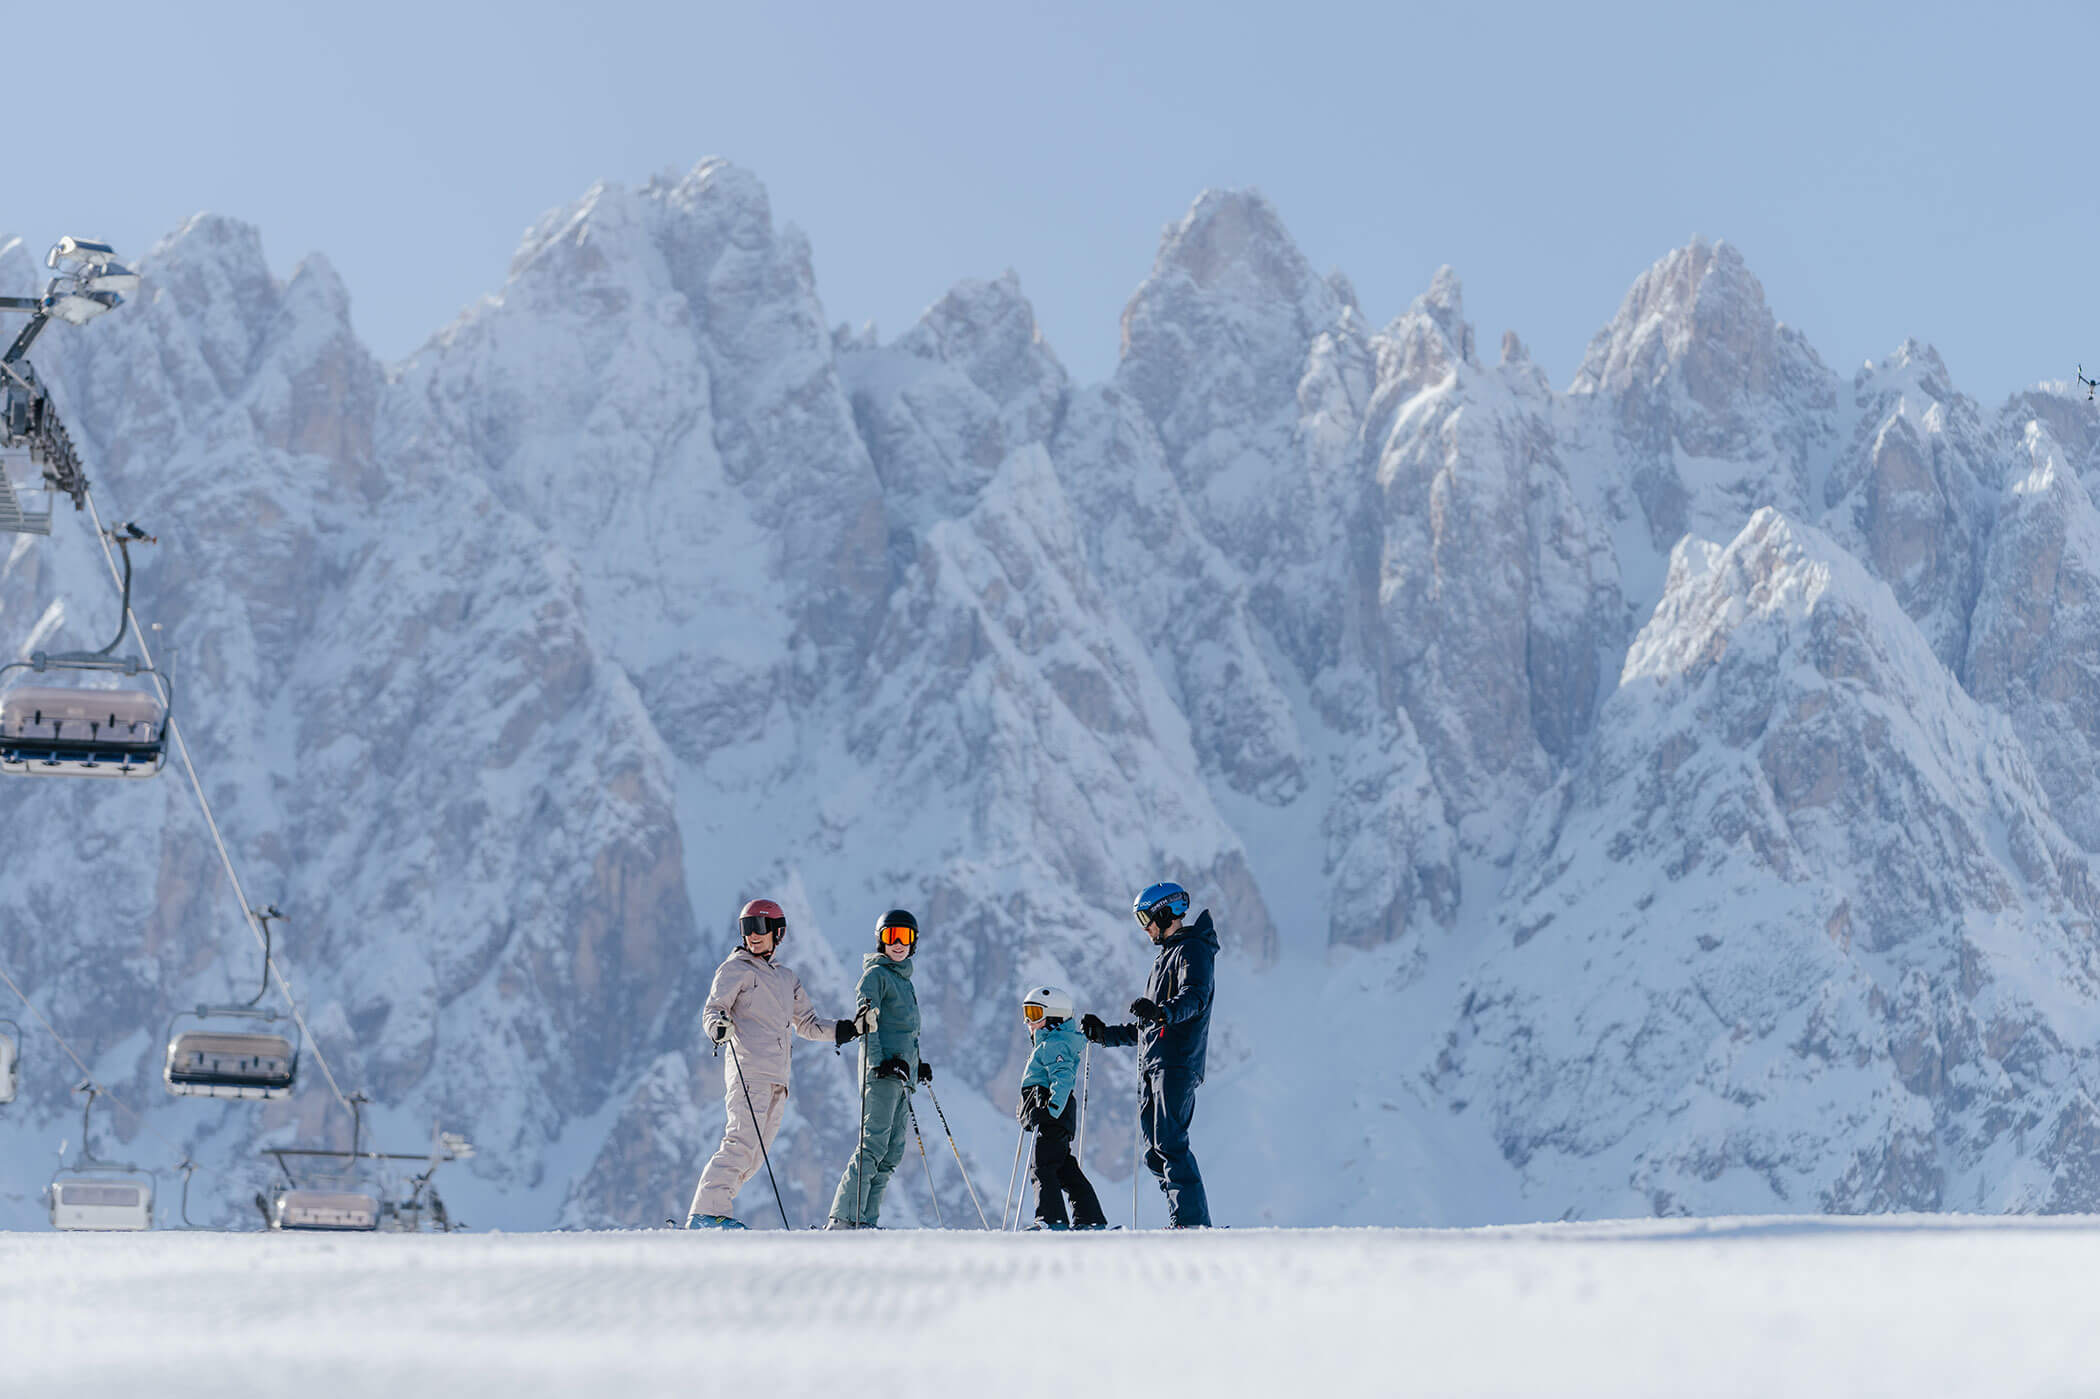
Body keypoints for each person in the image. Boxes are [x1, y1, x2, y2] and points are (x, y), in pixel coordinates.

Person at [687, 898, 873, 1229]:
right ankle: (706, 1214)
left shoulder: (787, 979)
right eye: (746, 928)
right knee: (741, 1141)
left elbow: (809, 1025)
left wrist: (850, 1028)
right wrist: (718, 1027)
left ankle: (713, 1214)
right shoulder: (734, 970)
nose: (753, 936)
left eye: (759, 928)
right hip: (749, 1072)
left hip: (777, 1079)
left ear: (778, 932)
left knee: (754, 1154)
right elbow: (714, 1008)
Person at [1081, 881, 1217, 1228]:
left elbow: (1194, 996)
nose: (1145, 927)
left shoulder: (1192, 951)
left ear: (1165, 910)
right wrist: (1105, 1035)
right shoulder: (1164, 958)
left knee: (1170, 1141)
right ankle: (1182, 1218)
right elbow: (1146, 1027)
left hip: (1177, 1061)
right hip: (1153, 1064)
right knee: (1153, 1151)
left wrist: (1162, 1013)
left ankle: (1192, 1222)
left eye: (1146, 917)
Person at [826, 908, 931, 1229]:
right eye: (890, 937)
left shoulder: (903, 979)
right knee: (872, 1145)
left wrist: (916, 1065)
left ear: (913, 943)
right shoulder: (875, 976)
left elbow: (906, 1031)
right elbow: (866, 1022)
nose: (897, 944)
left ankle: (866, 1220)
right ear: (880, 940)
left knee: (892, 1153)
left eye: (904, 937)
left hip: (903, 1075)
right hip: (882, 1073)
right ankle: (845, 1218)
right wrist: (881, 1063)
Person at [1017, 984, 1107, 1231]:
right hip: (1056, 1113)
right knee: (1064, 1168)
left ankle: (1051, 1219)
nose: (1028, 1021)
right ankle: (1090, 1218)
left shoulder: (1054, 1044)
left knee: (1043, 1166)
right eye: (1026, 1013)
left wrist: (1049, 1110)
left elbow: (1063, 1078)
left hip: (1053, 1112)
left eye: (1035, 1014)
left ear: (1054, 1017)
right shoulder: (1050, 1042)